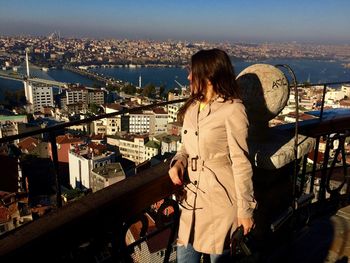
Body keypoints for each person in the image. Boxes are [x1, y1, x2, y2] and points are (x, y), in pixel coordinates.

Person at [168, 49, 256, 262]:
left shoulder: (233, 109)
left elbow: (241, 162)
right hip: (192, 202)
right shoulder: (192, 107)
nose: (188, 77)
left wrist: (245, 211)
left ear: (209, 76)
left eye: (193, 72)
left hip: (221, 202)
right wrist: (178, 163)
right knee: (185, 257)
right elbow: (186, 149)